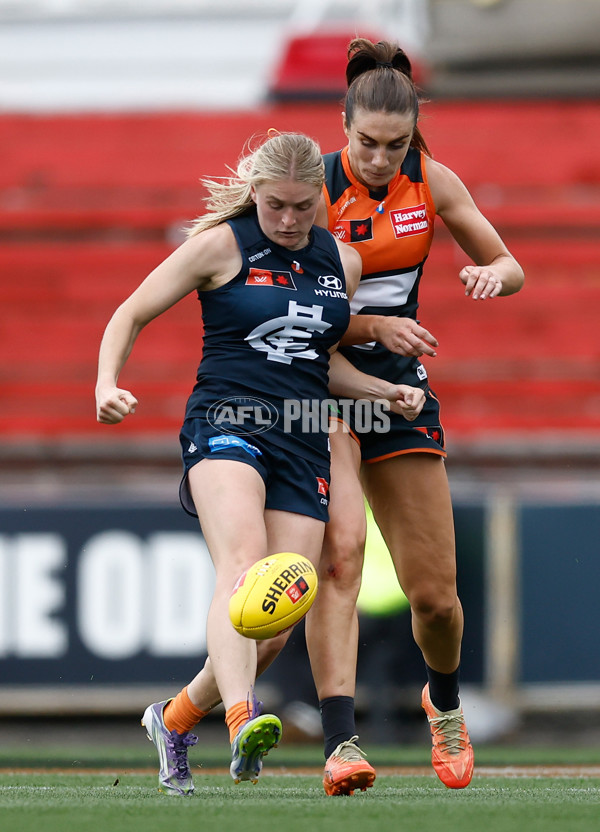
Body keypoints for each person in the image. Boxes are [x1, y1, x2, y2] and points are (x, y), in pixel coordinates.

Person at [95, 131, 426, 795]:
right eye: (276, 205)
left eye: (303, 207)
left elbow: (319, 357)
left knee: (273, 618)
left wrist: (383, 390)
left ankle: (177, 717)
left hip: (303, 434)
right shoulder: (222, 245)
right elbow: (131, 312)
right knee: (244, 565)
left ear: (319, 201)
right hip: (226, 417)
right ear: (255, 194)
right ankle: (244, 715)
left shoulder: (343, 263)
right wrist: (107, 382)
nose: (288, 220)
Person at [301, 37, 525, 795]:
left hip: (398, 391)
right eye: (366, 143)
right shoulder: (313, 189)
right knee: (339, 559)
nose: (379, 159)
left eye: (395, 145)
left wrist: (489, 273)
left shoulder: (430, 181)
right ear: (343, 127)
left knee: (435, 598)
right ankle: (339, 740)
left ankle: (446, 700)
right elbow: (293, 305)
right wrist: (373, 327)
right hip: (318, 388)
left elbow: (510, 262)